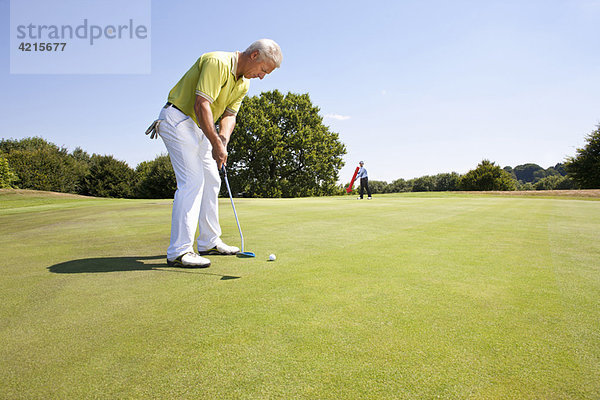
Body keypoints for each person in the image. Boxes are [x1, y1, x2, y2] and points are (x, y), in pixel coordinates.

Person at [149, 39, 282, 268]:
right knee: (192, 181)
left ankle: (208, 241)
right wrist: (215, 144)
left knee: (212, 179)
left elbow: (229, 115)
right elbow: (202, 104)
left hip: (198, 127)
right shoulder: (216, 62)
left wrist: (223, 140)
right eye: (263, 70)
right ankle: (179, 251)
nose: (262, 77)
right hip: (178, 118)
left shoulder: (243, 84)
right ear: (254, 56)